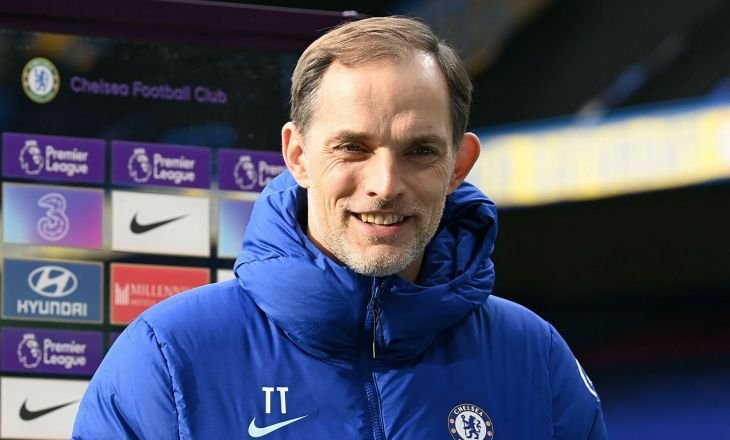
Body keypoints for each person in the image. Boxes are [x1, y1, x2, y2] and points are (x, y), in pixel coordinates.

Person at [73, 16, 607, 439]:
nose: (385, 184)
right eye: (352, 147)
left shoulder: (536, 360)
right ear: (298, 155)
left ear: (458, 165)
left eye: (420, 151)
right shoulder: (168, 357)